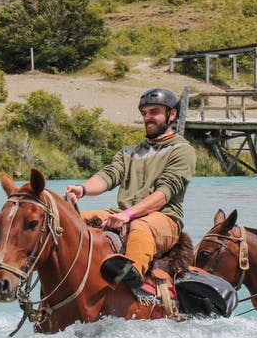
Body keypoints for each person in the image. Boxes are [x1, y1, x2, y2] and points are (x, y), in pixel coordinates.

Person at [63, 87, 196, 290]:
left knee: (140, 228)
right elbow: (108, 175)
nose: (147, 118)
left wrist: (128, 214)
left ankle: (130, 281)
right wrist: (82, 189)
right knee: (72, 222)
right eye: (144, 113)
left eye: (154, 112)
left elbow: (164, 194)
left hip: (163, 218)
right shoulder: (129, 152)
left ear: (173, 114)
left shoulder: (183, 151)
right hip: (123, 212)